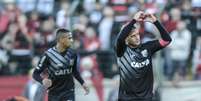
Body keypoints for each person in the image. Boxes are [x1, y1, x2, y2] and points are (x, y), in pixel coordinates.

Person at [115, 11, 172, 101]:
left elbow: (167, 40)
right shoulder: (122, 50)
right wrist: (134, 20)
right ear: (126, 39)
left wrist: (155, 22)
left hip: (146, 98)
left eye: (137, 34)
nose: (137, 37)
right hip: (127, 99)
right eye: (133, 36)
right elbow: (120, 38)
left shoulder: (147, 47)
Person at [33, 28, 89, 101]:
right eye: (69, 38)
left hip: (69, 91)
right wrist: (42, 80)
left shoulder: (72, 53)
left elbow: (74, 71)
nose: (71, 41)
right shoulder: (48, 55)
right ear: (61, 39)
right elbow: (35, 74)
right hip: (54, 93)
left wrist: (83, 83)